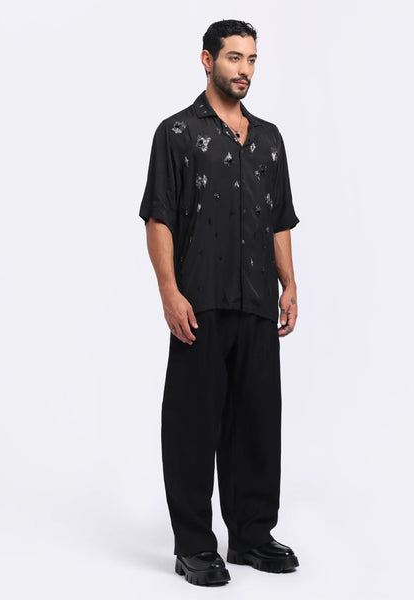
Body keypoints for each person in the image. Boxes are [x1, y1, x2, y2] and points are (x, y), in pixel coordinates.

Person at [139, 19, 300, 586]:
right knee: (191, 425)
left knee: (257, 423)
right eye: (234, 58)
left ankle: (252, 536)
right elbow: (159, 216)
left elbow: (279, 219)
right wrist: (169, 291)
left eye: (251, 59)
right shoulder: (177, 133)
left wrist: (289, 283)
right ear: (207, 60)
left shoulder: (270, 139)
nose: (244, 70)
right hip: (200, 301)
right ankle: (193, 545)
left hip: (256, 300)